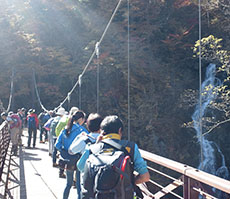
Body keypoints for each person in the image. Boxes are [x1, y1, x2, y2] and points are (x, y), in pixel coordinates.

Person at [81, 115, 150, 198]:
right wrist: (127, 181)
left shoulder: (92, 148)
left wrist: (96, 144)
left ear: (102, 131)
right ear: (120, 130)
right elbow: (145, 177)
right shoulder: (130, 147)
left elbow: (80, 167)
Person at [55, 110, 88, 199]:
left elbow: (57, 145)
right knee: (78, 185)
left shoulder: (65, 129)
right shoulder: (82, 131)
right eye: (84, 119)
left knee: (68, 184)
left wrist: (64, 152)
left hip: (67, 161)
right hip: (78, 160)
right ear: (81, 119)